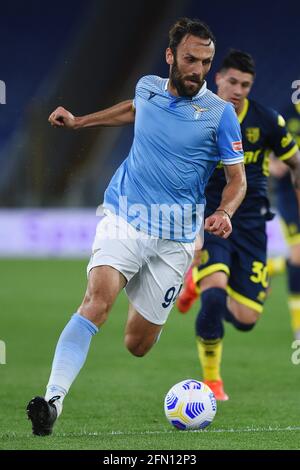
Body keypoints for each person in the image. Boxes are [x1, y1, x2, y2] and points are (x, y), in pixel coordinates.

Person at [26, 18, 247, 436]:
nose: (197, 69)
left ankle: (156, 291)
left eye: (205, 61)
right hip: (124, 216)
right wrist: (79, 122)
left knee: (137, 345)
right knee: (96, 302)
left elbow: (238, 180)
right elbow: (132, 109)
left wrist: (225, 212)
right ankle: (52, 402)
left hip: (176, 237)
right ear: (170, 56)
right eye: (189, 59)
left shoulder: (220, 115)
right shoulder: (148, 87)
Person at [176, 50, 300, 400]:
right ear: (217, 78)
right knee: (214, 298)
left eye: (245, 85)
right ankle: (212, 381)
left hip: (251, 225)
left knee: (246, 320)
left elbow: (294, 163)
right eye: (232, 81)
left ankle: (196, 282)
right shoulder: (195, 116)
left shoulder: (268, 120)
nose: (238, 90)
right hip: (210, 218)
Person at [268, 102, 300, 339]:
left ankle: (266, 267)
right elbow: (271, 161)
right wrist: (278, 163)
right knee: (298, 256)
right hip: (289, 195)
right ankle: (298, 327)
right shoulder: (285, 118)